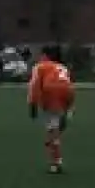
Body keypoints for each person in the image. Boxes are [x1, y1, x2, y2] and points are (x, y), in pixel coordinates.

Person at [27, 45, 76, 174]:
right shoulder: (61, 67)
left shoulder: (41, 66)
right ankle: (61, 122)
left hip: (51, 91)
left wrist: (32, 105)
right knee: (57, 123)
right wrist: (69, 106)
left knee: (52, 129)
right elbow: (68, 84)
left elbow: (34, 86)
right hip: (68, 92)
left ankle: (55, 162)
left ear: (45, 55)